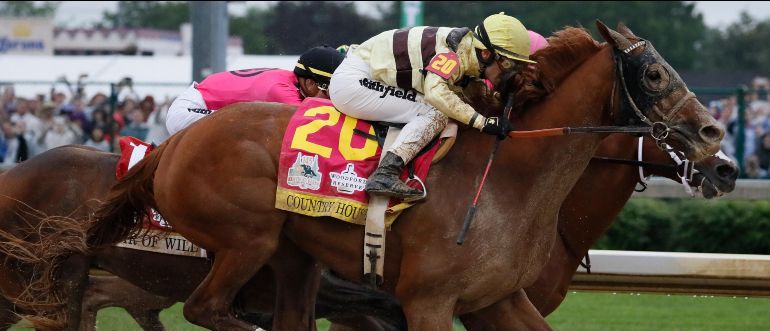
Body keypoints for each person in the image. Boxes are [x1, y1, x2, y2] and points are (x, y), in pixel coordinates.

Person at [328, 13, 535, 200]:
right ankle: (385, 174)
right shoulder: (453, 53)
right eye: (508, 65)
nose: (510, 73)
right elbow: (435, 92)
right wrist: (482, 122)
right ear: (486, 54)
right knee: (435, 111)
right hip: (355, 82)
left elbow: (469, 89)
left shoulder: (468, 52)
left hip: (366, 76)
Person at [165, 45, 345, 135]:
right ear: (311, 84)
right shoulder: (281, 90)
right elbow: (310, 125)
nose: (332, 101)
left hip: (202, 103)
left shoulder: (290, 82)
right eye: (329, 93)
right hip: (187, 110)